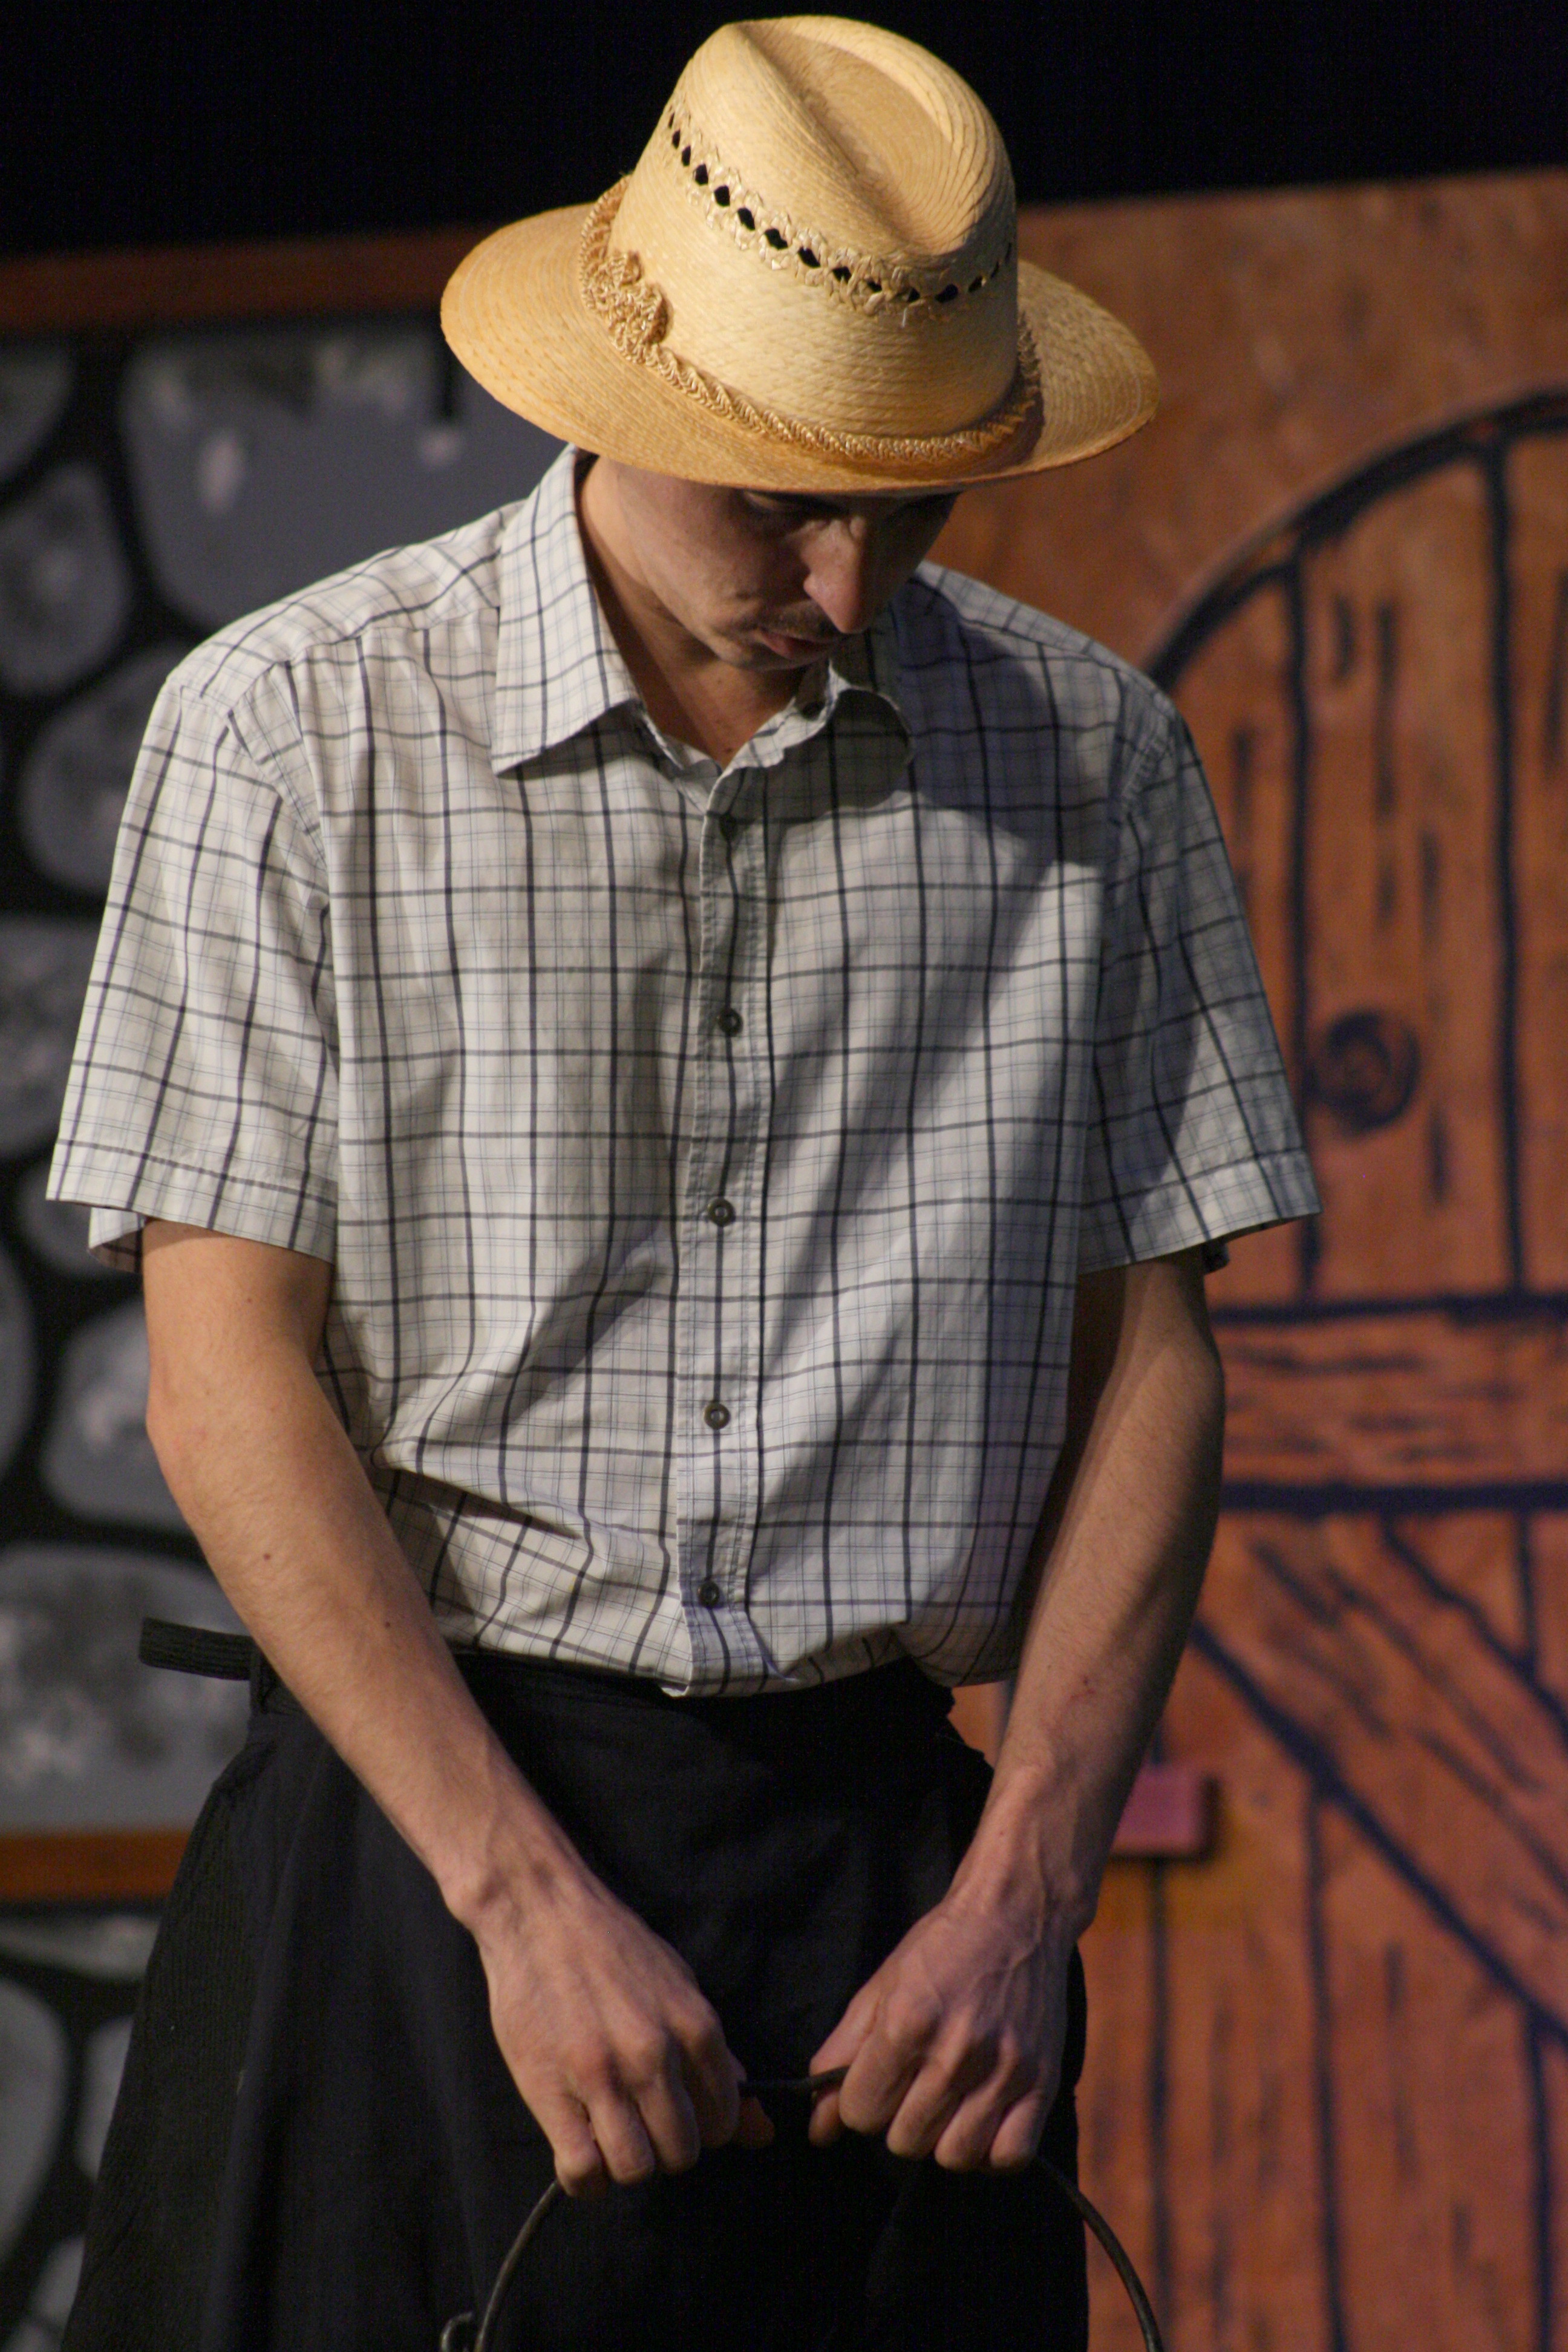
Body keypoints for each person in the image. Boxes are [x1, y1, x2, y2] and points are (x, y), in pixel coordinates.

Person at [49, 18, 1317, 2351]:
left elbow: (1159, 1358)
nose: (849, 583)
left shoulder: (1100, 764)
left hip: (894, 1905)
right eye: (779, 502)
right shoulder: (291, 731)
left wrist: (1027, 1893)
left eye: (913, 509)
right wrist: (519, 1903)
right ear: (621, 393)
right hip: (416, 1852)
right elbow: (224, 1378)